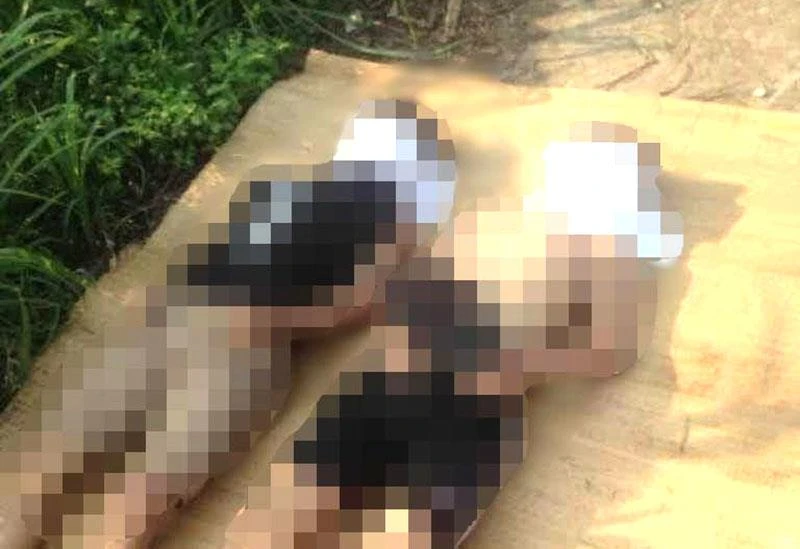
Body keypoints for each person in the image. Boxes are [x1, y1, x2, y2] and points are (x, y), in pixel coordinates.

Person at [0, 100, 682, 548]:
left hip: (423, 395)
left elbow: (608, 351)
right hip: (367, 380)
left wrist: (519, 353)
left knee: (127, 471)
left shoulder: (550, 247)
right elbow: (383, 296)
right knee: (202, 495)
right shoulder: (477, 226)